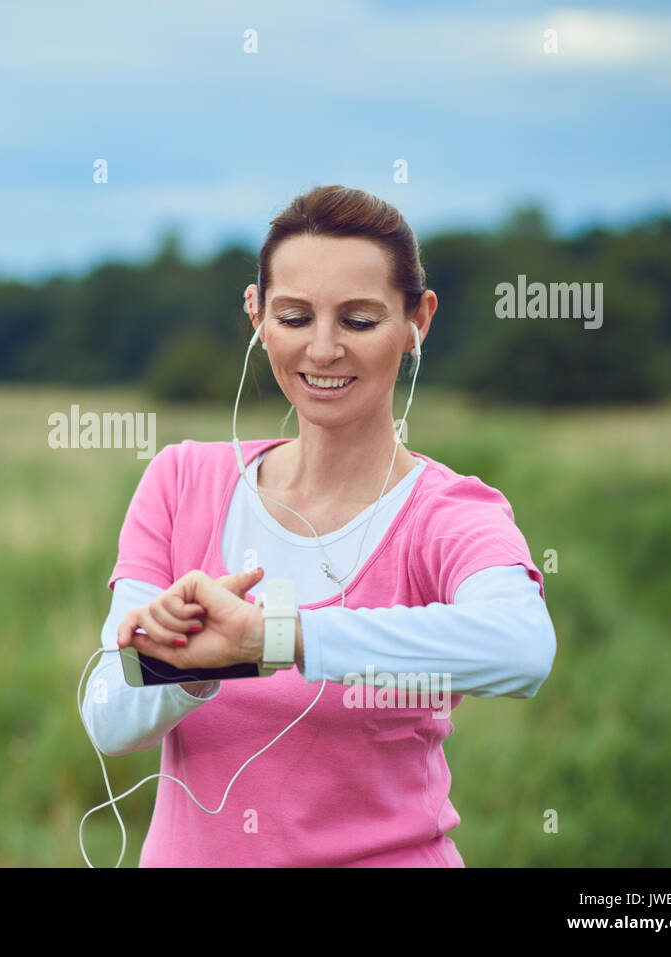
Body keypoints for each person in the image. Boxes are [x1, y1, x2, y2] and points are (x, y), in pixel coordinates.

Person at [79, 185, 556, 867]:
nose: (324, 349)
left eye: (359, 320)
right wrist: (186, 667)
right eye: (296, 316)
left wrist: (275, 637)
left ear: (418, 318)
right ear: (256, 315)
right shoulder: (180, 480)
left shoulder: (449, 513)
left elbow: (522, 648)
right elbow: (107, 715)